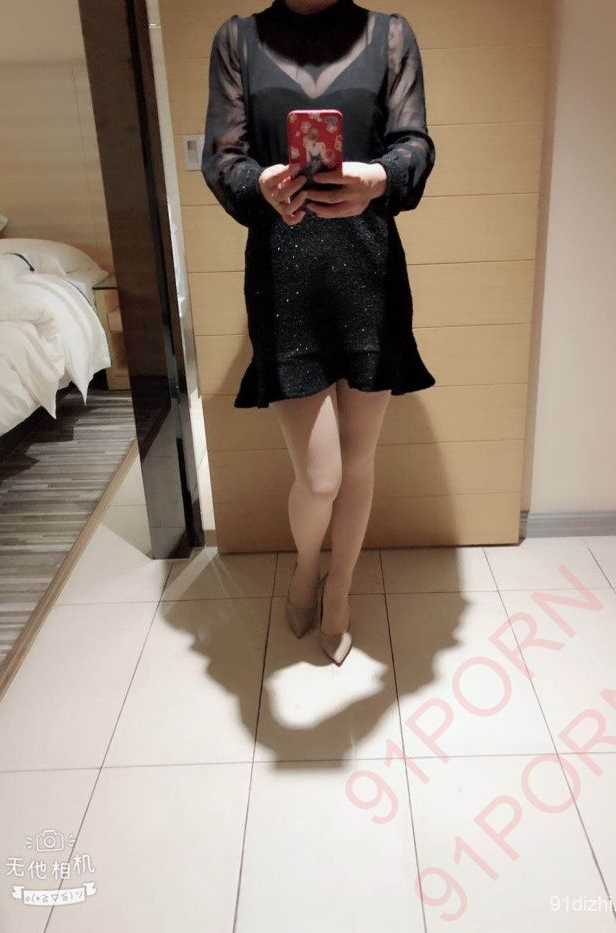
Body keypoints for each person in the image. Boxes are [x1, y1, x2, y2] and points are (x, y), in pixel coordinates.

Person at [201, 0, 436, 665]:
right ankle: (307, 568)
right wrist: (262, 182)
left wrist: (379, 177)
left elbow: (415, 144)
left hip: (370, 273)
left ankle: (340, 589)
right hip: (283, 281)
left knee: (358, 464)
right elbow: (223, 157)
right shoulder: (237, 40)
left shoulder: (390, 34)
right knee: (322, 476)